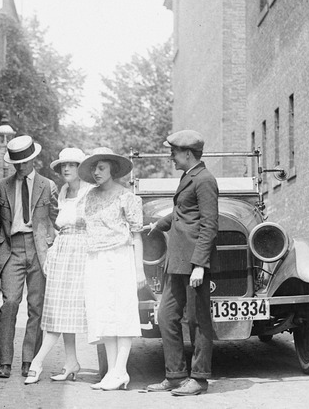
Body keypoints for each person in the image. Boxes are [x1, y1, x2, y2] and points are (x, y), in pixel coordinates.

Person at [144, 130, 219, 396]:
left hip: (193, 263)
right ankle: (175, 375)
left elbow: (209, 225)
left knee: (198, 321)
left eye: (173, 152)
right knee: (166, 317)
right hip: (177, 262)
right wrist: (157, 224)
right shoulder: (188, 177)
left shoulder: (205, 180)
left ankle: (199, 379)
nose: (170, 157)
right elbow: (182, 213)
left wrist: (200, 264)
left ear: (188, 153)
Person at [0, 135, 59, 379]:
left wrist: (53, 246)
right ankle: (5, 362)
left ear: (34, 159)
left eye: (25, 162)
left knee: (36, 307)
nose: (20, 167)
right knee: (9, 304)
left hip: (40, 251)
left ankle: (29, 361)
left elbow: (57, 220)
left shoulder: (48, 186)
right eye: (16, 163)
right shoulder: (1, 187)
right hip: (11, 249)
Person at [76, 147, 145, 391]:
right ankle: (113, 372)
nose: (96, 172)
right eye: (94, 168)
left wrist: (139, 270)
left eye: (101, 168)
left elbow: (137, 235)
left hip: (119, 257)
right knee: (103, 314)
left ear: (112, 170)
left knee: (122, 313)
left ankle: (121, 370)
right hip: (96, 258)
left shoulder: (127, 196)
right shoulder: (90, 196)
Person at [25, 148, 91, 384]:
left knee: (64, 311)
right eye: (64, 165)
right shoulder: (62, 192)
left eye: (72, 165)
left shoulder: (90, 192)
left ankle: (37, 362)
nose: (66, 169)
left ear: (81, 168)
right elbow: (55, 224)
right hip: (62, 252)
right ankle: (71, 361)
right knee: (60, 310)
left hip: (81, 253)